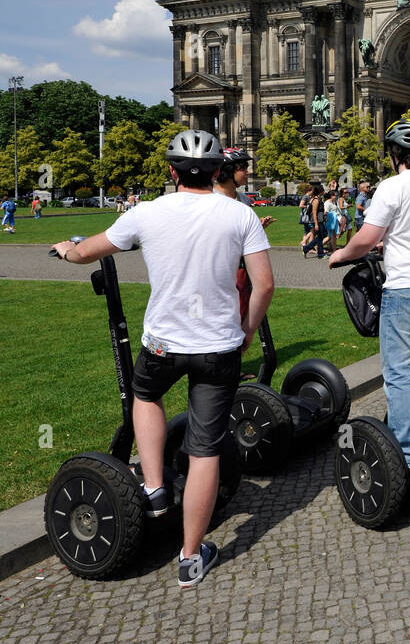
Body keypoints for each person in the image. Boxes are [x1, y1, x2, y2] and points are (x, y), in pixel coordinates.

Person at [52, 129, 273, 587]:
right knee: (205, 449)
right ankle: (191, 558)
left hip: (164, 345)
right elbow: (264, 284)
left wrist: (67, 250)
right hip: (218, 347)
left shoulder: (146, 213)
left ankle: (153, 486)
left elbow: (86, 251)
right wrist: (247, 332)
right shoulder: (240, 215)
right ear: (216, 172)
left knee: (146, 395)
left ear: (171, 171)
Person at [330, 119, 410, 480]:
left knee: (400, 374)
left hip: (408, 289)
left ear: (395, 154)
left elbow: (366, 238)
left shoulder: (391, 187)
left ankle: (409, 456)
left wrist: (341, 254)